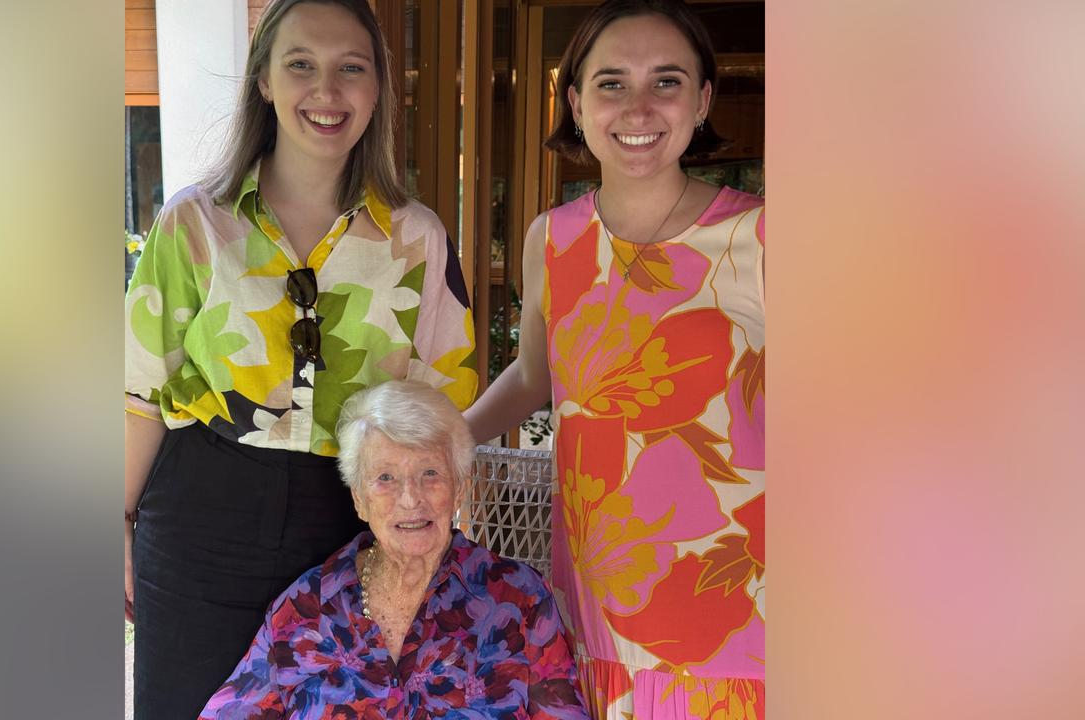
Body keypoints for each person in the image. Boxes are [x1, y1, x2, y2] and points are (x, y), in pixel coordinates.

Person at [124, 1, 478, 716]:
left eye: (352, 67)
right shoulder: (194, 222)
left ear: (379, 88)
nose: (328, 91)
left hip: (351, 520)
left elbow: (442, 411)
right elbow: (138, 392)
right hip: (201, 511)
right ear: (264, 81)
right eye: (301, 65)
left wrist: (441, 541)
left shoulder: (417, 238)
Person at [464, 1, 765, 718]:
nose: (638, 107)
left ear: (702, 101)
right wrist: (446, 438)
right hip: (598, 608)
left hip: (741, 611)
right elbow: (537, 376)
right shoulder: (552, 238)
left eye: (666, 81)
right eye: (610, 83)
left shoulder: (765, 235)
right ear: (574, 103)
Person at [197, 380, 589, 719]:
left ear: (460, 488)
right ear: (359, 500)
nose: (409, 499)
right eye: (385, 478)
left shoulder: (518, 597)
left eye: (430, 473)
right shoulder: (305, 608)